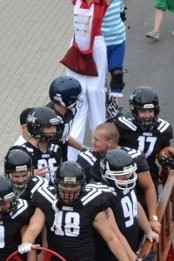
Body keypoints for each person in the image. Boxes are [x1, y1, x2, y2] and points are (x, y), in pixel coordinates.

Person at [18, 161, 138, 261]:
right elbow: (33, 229)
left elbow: (110, 238)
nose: (69, 190)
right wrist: (26, 242)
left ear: (82, 185)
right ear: (57, 184)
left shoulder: (92, 202)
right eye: (65, 185)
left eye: (73, 185)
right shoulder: (46, 200)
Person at [97, 149, 159, 261]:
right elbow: (116, 234)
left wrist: (148, 230)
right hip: (113, 256)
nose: (126, 176)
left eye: (128, 173)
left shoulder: (125, 185)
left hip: (130, 246)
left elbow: (136, 206)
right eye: (121, 174)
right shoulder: (105, 195)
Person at [78, 121, 161, 233]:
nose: (92, 142)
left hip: (129, 213)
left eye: (97, 140)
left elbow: (149, 187)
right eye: (93, 138)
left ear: (110, 143)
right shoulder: (86, 158)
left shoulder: (133, 157)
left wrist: (153, 218)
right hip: (102, 214)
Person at [113, 86, 174, 215]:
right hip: (123, 175)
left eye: (150, 111)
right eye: (143, 111)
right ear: (135, 111)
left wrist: (167, 163)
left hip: (149, 175)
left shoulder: (163, 129)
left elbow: (163, 151)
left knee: (148, 210)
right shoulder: (121, 126)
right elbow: (110, 149)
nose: (147, 115)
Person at [62, 0, 110, 149]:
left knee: (96, 96)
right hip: (77, 48)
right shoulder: (77, 1)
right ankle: (72, 153)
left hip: (95, 49)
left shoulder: (102, 3)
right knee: (76, 100)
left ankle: (101, 150)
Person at [20, 106, 66, 184]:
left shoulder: (57, 149)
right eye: (48, 126)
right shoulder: (21, 152)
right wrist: (28, 175)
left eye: (54, 126)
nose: (53, 130)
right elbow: (11, 179)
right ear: (35, 128)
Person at [47, 76, 89, 161]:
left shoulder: (68, 112)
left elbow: (63, 136)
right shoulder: (48, 120)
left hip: (61, 160)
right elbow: (32, 143)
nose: (78, 100)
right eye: (75, 98)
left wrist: (83, 148)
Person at [102, 0, 127, 105]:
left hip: (118, 40)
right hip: (100, 43)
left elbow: (122, 13)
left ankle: (115, 106)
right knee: (99, 77)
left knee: (117, 74)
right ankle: (101, 103)